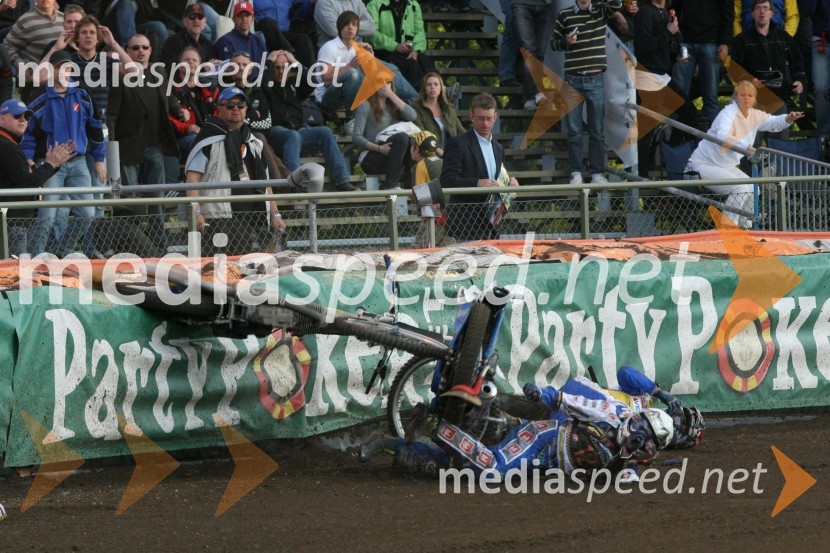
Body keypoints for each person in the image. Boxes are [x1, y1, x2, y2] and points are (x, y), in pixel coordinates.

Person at [362, 383, 675, 479]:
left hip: (544, 466)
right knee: (492, 470)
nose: (638, 435)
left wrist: (630, 462)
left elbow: (625, 477)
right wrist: (548, 395)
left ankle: (388, 443)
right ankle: (436, 425)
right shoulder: (614, 415)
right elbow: (579, 403)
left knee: (453, 471)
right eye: (641, 427)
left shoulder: (631, 459)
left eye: (647, 438)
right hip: (546, 437)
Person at [185, 86, 286, 256]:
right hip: (216, 218)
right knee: (214, 268)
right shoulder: (207, 140)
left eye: (241, 105)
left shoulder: (254, 143)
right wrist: (196, 212)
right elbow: (192, 177)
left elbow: (265, 182)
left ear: (247, 108)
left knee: (241, 270)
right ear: (219, 108)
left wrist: (275, 214)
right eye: (230, 105)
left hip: (247, 218)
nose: (236, 109)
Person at [687, 80, 803, 228]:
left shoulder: (754, 115)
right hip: (703, 164)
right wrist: (746, 147)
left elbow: (773, 121)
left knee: (753, 187)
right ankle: (728, 227)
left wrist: (788, 118)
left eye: (750, 95)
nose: (746, 98)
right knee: (741, 187)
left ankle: (746, 226)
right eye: (742, 95)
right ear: (735, 97)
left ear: (754, 99)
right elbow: (723, 136)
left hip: (725, 166)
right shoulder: (727, 113)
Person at [23, 51, 105, 257]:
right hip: (51, 165)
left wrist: (100, 159)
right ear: (51, 69)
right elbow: (28, 132)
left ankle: (61, 251)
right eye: (58, 66)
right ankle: (35, 259)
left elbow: (95, 127)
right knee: (47, 217)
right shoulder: (40, 96)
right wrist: (28, 157)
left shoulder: (83, 93)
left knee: (87, 213)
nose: (63, 71)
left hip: (78, 162)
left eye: (67, 67)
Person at [108, 34, 183, 254]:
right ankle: (126, 246)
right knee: (128, 202)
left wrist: (178, 110)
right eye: (135, 48)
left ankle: (160, 245)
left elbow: (168, 98)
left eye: (145, 47)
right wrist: (110, 146)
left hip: (155, 146)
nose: (141, 51)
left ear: (151, 50)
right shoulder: (121, 76)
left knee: (156, 200)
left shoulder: (159, 72)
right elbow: (111, 116)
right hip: (128, 147)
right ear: (128, 51)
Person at [522, 365, 706, 451]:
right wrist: (658, 391)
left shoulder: (647, 445)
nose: (676, 422)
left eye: (680, 426)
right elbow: (624, 372)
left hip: (579, 425)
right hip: (586, 397)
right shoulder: (645, 398)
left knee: (537, 433)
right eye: (680, 419)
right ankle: (540, 395)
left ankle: (511, 424)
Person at [263, 49, 358, 192]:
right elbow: (263, 84)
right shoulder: (267, 87)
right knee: (292, 136)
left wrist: (295, 62)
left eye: (285, 67)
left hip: (298, 130)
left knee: (325, 132)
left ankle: (342, 181)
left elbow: (312, 82)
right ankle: (294, 184)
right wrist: (269, 62)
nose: (281, 71)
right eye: (277, 68)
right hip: (276, 133)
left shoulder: (293, 85)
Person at [552, 0, 622, 185]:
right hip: (572, 79)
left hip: (595, 78)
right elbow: (553, 44)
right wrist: (566, 41)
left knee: (597, 131)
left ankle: (597, 173)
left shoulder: (601, 10)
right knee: (574, 131)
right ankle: (576, 172)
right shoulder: (564, 14)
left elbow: (616, 3)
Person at [0, 99, 76, 257]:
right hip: (11, 223)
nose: (23, 120)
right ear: (2, 119)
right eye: (17, 116)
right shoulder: (7, 146)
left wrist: (51, 166)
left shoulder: (9, 144)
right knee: (16, 274)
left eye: (26, 117)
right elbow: (27, 184)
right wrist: (50, 164)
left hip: (10, 222)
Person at [440, 92, 519, 241]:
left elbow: (497, 180)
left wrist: (509, 184)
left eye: (489, 119)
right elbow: (446, 180)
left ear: (495, 117)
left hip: (491, 224)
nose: (485, 123)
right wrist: (477, 183)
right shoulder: (457, 143)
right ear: (471, 117)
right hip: (464, 223)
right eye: (480, 118)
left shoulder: (498, 147)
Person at [633, 0, 699, 177]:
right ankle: (642, 178)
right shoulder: (645, 12)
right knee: (645, 132)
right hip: (646, 77)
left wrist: (676, 49)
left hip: (663, 76)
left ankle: (669, 143)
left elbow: (664, 44)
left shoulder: (666, 12)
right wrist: (668, 33)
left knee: (690, 113)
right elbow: (643, 45)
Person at [315, 11, 418, 117]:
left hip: (354, 96)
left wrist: (371, 57)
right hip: (328, 99)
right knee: (353, 74)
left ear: (357, 29)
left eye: (354, 25)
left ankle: (416, 101)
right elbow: (326, 80)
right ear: (339, 27)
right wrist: (349, 66)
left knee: (388, 68)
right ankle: (351, 119)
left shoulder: (358, 47)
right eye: (346, 24)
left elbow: (375, 73)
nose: (350, 28)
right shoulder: (329, 47)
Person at [731, 0, 806, 116]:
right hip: (752, 98)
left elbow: (797, 60)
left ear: (772, 13)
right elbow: (735, 69)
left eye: (766, 8)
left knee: (779, 132)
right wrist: (750, 80)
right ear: (752, 13)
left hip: (779, 98)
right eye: (758, 8)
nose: (762, 12)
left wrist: (799, 80)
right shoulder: (741, 40)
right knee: (753, 134)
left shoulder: (783, 38)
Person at [671, 0, 735, 127]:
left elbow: (728, 13)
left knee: (711, 96)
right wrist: (676, 38)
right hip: (685, 41)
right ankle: (672, 137)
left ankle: (713, 140)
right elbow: (675, 8)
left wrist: (725, 42)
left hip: (711, 41)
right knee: (677, 94)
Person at [352, 81, 418, 190]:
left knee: (410, 140)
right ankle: (390, 184)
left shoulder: (393, 106)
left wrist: (391, 95)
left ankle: (410, 190)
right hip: (371, 157)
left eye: (387, 82)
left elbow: (412, 116)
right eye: (380, 82)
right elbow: (356, 138)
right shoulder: (365, 105)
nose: (384, 86)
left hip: (392, 157)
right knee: (402, 137)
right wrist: (379, 148)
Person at [366, 0, 435, 90]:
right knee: (411, 64)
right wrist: (395, 46)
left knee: (425, 61)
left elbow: (420, 32)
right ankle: (421, 98)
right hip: (384, 52)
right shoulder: (374, 4)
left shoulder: (413, 4)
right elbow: (372, 34)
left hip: (408, 51)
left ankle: (442, 91)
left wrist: (416, 50)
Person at [4, 0, 64, 103]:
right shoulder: (26, 20)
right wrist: (22, 65)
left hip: (63, 83)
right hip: (36, 86)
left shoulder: (65, 19)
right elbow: (7, 47)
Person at [409, 130, 454, 248]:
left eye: (411, 147)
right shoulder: (442, 161)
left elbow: (420, 194)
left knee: (423, 247)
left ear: (417, 149)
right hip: (454, 212)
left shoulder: (421, 165)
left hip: (437, 214)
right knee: (444, 247)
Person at [511, 0, 555, 110]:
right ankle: (531, 96)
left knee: (539, 53)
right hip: (522, 4)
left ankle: (534, 95)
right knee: (530, 51)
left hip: (544, 5)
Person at [410, 71, 465, 155]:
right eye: (429, 85)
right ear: (424, 88)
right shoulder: (416, 107)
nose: (432, 87)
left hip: (450, 153)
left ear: (441, 88)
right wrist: (441, 152)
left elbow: (461, 131)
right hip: (427, 154)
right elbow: (421, 135)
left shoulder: (448, 109)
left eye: (436, 84)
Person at [160, 3, 218, 72]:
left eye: (200, 17)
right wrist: (202, 68)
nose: (196, 21)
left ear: (205, 21)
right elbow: (171, 70)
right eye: (192, 17)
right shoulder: (173, 42)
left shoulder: (208, 45)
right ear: (184, 21)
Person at [734, 0, 800, 36]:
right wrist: (740, 38)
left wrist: (785, 38)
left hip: (777, 38)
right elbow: (735, 17)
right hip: (748, 39)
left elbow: (792, 16)